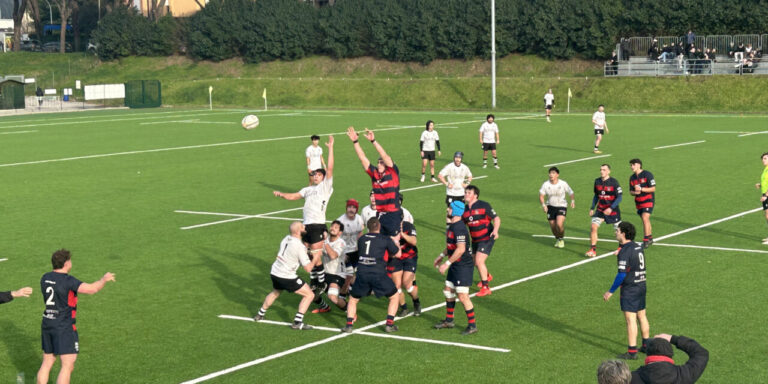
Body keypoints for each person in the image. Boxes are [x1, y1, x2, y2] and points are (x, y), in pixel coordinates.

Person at [37, 249, 115, 384]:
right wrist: (104, 279)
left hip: (48, 323)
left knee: (47, 362)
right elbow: (92, 289)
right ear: (66, 263)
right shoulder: (68, 281)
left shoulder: (45, 278)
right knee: (67, 365)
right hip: (64, 326)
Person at [274, 136, 334, 294]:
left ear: (323, 177)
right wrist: (281, 194)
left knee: (315, 254)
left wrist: (331, 149)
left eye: (318, 175)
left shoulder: (325, 188)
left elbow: (331, 169)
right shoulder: (308, 190)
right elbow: (294, 196)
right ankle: (315, 280)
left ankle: (321, 282)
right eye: (314, 175)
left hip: (317, 224)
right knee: (308, 254)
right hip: (306, 225)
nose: (315, 176)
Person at [254, 222, 321, 330]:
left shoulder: (286, 238)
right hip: (287, 276)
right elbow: (308, 269)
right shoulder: (299, 247)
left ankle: (260, 314)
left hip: (275, 272)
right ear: (298, 231)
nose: (305, 228)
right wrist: (316, 257)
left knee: (276, 292)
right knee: (309, 295)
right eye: (303, 227)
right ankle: (298, 322)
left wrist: (306, 251)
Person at [342, 217, 402, 333]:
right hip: (378, 273)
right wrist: (395, 242)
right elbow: (398, 254)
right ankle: (389, 324)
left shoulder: (362, 239)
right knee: (394, 296)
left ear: (368, 227)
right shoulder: (385, 239)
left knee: (353, 299)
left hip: (362, 273)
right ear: (379, 226)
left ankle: (349, 325)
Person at [603, 222, 650, 360]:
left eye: (617, 230)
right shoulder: (638, 245)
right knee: (642, 315)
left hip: (630, 288)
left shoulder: (624, 251)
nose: (615, 232)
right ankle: (646, 345)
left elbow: (622, 274)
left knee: (630, 320)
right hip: (641, 284)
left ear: (623, 233)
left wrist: (610, 291)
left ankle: (632, 352)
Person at [347, 127, 403, 238]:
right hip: (380, 215)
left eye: (382, 162)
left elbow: (385, 156)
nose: (379, 164)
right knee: (379, 242)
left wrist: (373, 141)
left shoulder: (392, 172)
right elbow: (362, 158)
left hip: (393, 214)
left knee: (393, 242)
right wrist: (355, 142)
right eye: (378, 162)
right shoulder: (375, 174)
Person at [433, 200, 477, 335]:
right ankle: (449, 320)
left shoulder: (459, 228)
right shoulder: (452, 226)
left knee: (463, 295)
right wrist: (441, 255)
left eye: (450, 208)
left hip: (462, 265)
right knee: (448, 290)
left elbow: (461, 249)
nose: (447, 210)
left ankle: (472, 325)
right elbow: (451, 246)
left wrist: (447, 264)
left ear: (456, 211)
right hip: (455, 264)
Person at [462, 185, 500, 297]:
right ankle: (487, 275)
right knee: (474, 262)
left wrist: (496, 231)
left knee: (479, 261)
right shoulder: (464, 210)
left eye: (469, 193)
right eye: (465, 192)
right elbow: (462, 225)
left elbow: (496, 218)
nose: (466, 194)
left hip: (487, 237)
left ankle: (486, 287)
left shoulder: (484, 205)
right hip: (475, 240)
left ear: (475, 195)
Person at [630, 333, 709, 383]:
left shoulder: (631, 378)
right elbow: (701, 353)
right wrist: (673, 339)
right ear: (670, 354)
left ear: (648, 354)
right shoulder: (682, 375)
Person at [587, 164, 622, 257]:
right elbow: (596, 196)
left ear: (608, 171)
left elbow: (619, 197)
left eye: (604, 170)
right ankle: (593, 249)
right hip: (600, 210)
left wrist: (611, 208)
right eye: (601, 169)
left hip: (613, 211)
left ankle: (621, 247)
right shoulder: (597, 181)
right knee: (593, 227)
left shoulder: (614, 182)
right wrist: (592, 208)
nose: (602, 171)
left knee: (618, 231)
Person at [312, 220, 348, 313]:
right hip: (324, 273)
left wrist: (325, 242)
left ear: (340, 233)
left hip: (337, 274)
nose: (332, 228)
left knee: (332, 297)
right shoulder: (325, 239)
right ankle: (325, 307)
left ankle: (349, 311)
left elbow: (333, 256)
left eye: (336, 228)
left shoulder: (341, 243)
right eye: (332, 226)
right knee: (311, 295)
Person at [389, 220, 420, 317]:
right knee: (396, 286)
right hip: (395, 258)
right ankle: (404, 307)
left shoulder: (408, 226)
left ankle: (416, 302)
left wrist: (402, 234)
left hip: (409, 257)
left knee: (407, 284)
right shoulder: (387, 226)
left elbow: (414, 241)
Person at [539, 166, 575, 248]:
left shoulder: (563, 183)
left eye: (553, 173)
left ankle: (561, 239)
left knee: (559, 224)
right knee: (553, 227)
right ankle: (558, 238)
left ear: (557, 175)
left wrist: (572, 201)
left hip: (561, 206)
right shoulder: (546, 184)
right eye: (550, 173)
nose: (551, 175)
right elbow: (541, 196)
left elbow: (570, 192)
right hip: (550, 207)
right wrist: (544, 205)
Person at [337, 199, 365, 297]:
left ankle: (350, 289)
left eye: (353, 208)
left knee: (356, 273)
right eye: (349, 207)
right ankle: (342, 296)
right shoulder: (341, 221)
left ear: (356, 210)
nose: (351, 210)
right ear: (346, 208)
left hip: (355, 251)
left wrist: (359, 245)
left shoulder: (359, 218)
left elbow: (361, 231)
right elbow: (334, 237)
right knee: (348, 275)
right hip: (345, 253)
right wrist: (341, 253)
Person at [438, 151, 473, 224]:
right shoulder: (449, 166)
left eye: (459, 158)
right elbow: (440, 175)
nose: (457, 159)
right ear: (454, 158)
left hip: (461, 193)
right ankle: (449, 228)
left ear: (461, 159)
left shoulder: (464, 167)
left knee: (460, 211)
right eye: (456, 157)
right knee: (449, 211)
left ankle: (457, 227)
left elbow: (470, 176)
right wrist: (447, 184)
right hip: (451, 193)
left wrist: (467, 183)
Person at [629, 159, 656, 249]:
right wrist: (635, 192)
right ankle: (650, 237)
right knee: (645, 220)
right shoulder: (632, 178)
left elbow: (653, 189)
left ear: (639, 165)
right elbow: (631, 192)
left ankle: (646, 240)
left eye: (633, 164)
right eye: (631, 165)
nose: (632, 166)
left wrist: (641, 189)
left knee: (645, 217)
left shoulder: (647, 174)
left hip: (648, 200)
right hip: (639, 202)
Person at [755, 152, 768, 244]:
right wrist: (760, 184)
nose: (763, 160)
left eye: (765, 158)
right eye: (763, 159)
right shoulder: (765, 170)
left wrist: (766, 195)